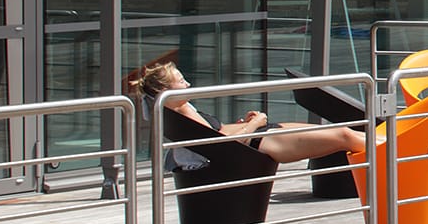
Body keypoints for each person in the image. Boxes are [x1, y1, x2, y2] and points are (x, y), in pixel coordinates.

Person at [129, 57, 366, 163]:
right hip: (259, 143)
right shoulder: (181, 113)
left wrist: (248, 123)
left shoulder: (179, 108)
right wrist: (254, 124)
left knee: (342, 131)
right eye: (181, 81)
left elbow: (217, 132)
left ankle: (394, 149)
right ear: (164, 90)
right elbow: (220, 144)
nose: (188, 84)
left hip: (258, 136)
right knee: (344, 135)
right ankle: (396, 156)